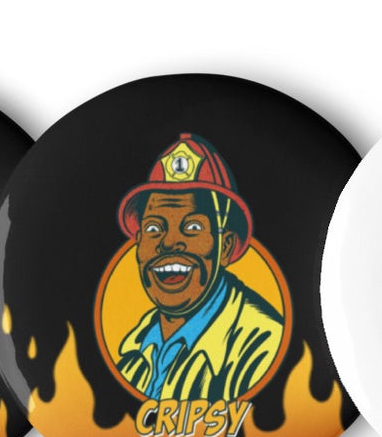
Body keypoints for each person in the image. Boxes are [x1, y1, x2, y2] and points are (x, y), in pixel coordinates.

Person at [111, 133, 285, 402]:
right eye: (154, 228)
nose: (169, 243)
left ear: (225, 247)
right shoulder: (134, 354)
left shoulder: (261, 344)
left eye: (192, 227)